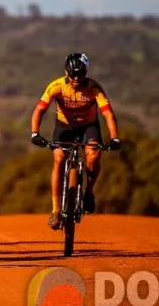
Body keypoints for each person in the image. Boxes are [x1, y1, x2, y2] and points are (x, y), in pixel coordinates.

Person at [30, 53, 121, 229]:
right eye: (72, 74)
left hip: (89, 127)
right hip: (64, 127)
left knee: (93, 156)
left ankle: (89, 192)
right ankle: (56, 211)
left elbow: (108, 114)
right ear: (66, 72)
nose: (76, 78)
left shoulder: (94, 88)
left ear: (86, 72)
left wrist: (115, 138)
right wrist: (35, 133)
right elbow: (39, 111)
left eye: (80, 74)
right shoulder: (56, 86)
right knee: (58, 159)